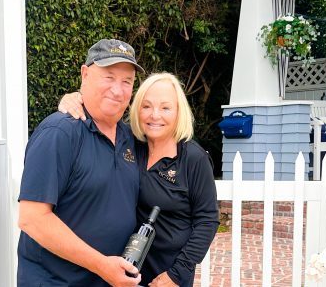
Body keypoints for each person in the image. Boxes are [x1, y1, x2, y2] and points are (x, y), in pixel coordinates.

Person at [60, 72, 219, 287]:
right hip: (122, 271)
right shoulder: (128, 143)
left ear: (179, 112)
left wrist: (177, 274)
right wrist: (73, 99)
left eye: (165, 108)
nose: (155, 115)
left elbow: (207, 220)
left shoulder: (193, 158)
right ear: (137, 109)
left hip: (167, 275)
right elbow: (99, 116)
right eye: (146, 106)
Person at [17, 39, 145, 287]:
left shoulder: (130, 137)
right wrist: (102, 265)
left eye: (127, 81)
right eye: (109, 77)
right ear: (85, 75)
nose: (117, 90)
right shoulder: (59, 133)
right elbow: (32, 218)